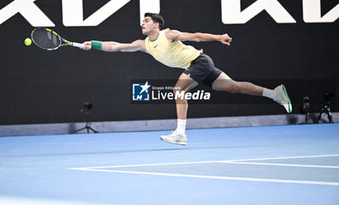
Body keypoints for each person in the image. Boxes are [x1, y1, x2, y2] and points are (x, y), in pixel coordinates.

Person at [80, 13, 292, 145]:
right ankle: (275, 93)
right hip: (197, 66)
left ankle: (180, 133)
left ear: (157, 25)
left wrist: (218, 38)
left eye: (146, 21)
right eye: (142, 21)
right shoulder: (143, 44)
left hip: (199, 62)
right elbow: (116, 46)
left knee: (178, 90)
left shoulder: (168, 35)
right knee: (234, 87)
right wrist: (94, 44)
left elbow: (196, 36)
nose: (142, 24)